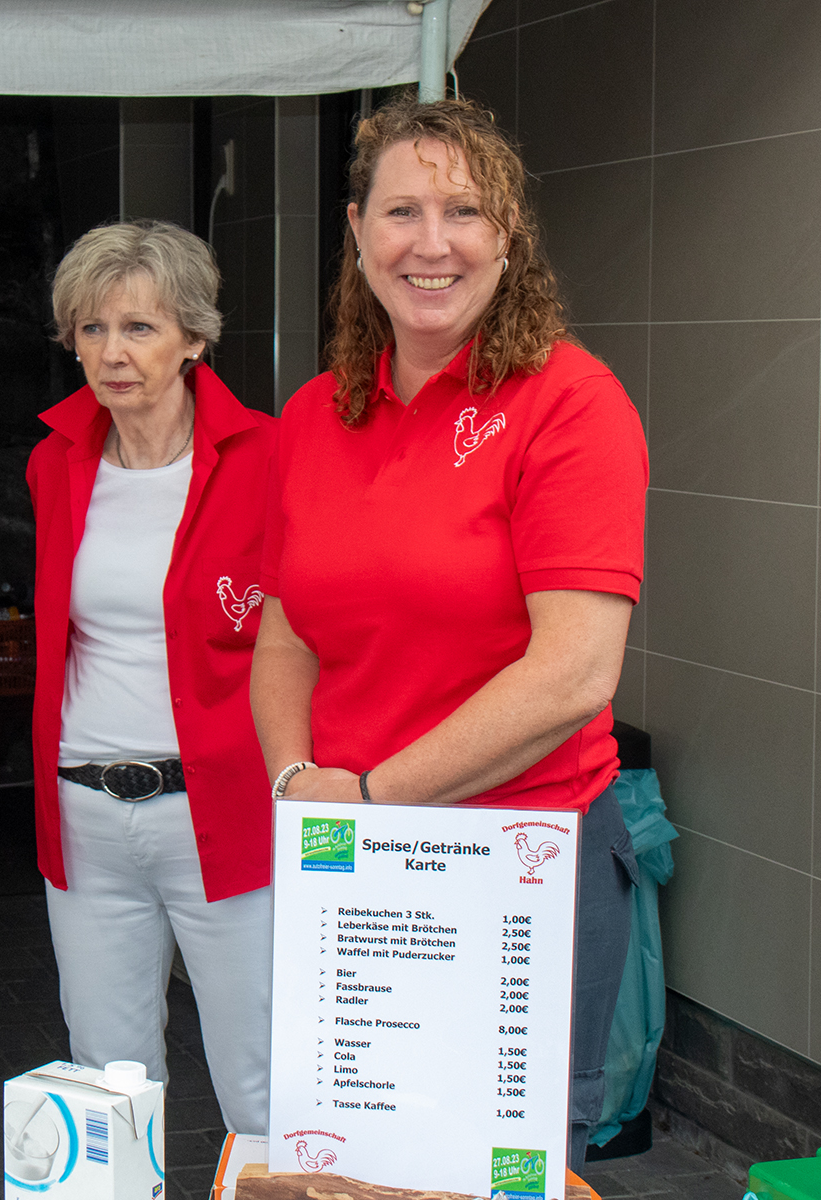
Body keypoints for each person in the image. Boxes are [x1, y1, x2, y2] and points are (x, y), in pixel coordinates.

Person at [251, 96, 647, 1167]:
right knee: (351, 1159)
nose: (432, 243)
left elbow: (573, 674)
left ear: (507, 236)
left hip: (520, 859)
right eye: (402, 211)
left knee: (499, 1169)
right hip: (353, 863)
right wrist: (298, 783)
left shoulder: (570, 404)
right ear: (356, 231)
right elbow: (284, 634)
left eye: (464, 211)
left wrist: (371, 800)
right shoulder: (313, 416)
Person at [27, 220, 278, 1134]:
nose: (112, 353)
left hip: (227, 810)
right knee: (107, 1085)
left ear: (194, 339)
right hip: (87, 813)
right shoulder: (55, 461)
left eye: (139, 328)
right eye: (92, 329)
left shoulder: (271, 460)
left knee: (264, 1080)